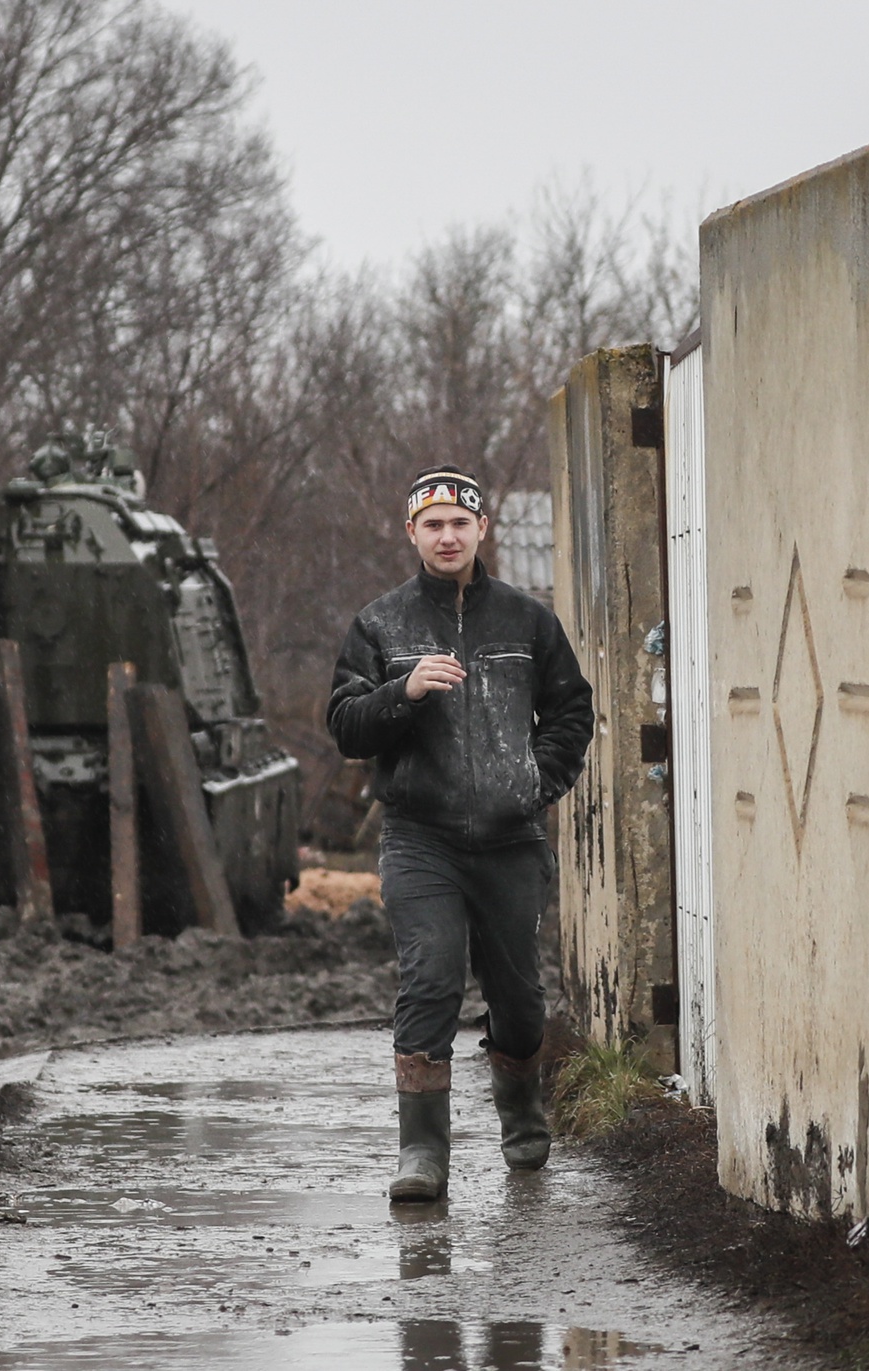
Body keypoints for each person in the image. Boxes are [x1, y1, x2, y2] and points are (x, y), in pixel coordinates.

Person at [326, 466, 593, 1203]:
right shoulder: (380, 624)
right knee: (431, 974)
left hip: (511, 838)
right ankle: (422, 1152)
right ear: (411, 532)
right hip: (421, 836)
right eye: (433, 523)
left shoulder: (527, 620)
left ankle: (522, 1115)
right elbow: (345, 725)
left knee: (518, 995)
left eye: (460, 522)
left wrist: (534, 783)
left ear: (483, 530)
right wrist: (401, 692)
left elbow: (573, 710)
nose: (448, 535)